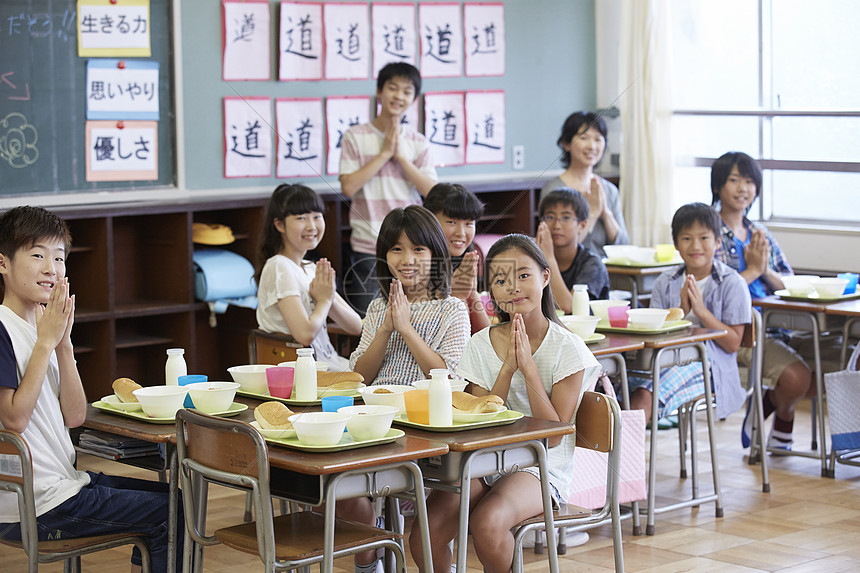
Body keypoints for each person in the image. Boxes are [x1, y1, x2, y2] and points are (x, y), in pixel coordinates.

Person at [0, 206, 182, 573]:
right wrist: (45, 344)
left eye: (59, 257)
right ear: (3, 263)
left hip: (62, 485)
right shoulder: (4, 329)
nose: (51, 268)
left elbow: (75, 415)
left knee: (176, 500)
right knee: (169, 514)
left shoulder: (45, 327)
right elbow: (13, 419)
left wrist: (63, 345)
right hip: (33, 504)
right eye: (37, 255)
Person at [409, 234, 600, 573]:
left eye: (523, 275)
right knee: (427, 531)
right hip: (485, 459)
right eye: (500, 279)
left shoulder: (567, 348)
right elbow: (480, 417)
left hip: (540, 466)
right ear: (490, 292)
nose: (513, 287)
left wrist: (527, 368)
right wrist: (508, 368)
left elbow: (554, 435)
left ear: (545, 277)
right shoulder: (482, 343)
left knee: (488, 523)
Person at [711, 151, 814, 450]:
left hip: (778, 327)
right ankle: (780, 415)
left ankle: (768, 407)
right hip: (743, 334)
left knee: (824, 372)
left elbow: (787, 282)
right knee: (798, 377)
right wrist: (753, 270)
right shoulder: (710, 231)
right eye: (734, 180)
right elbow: (715, 294)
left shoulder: (759, 233)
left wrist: (764, 269)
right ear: (718, 186)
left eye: (749, 181)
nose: (743, 188)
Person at [628, 203, 751, 424]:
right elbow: (650, 333)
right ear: (675, 243)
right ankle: (612, 455)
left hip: (710, 367)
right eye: (686, 239)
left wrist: (702, 312)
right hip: (664, 359)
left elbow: (733, 344)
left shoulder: (733, 283)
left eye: (704, 238)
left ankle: (625, 457)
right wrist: (681, 312)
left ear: (718, 241)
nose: (696, 246)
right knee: (610, 388)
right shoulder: (666, 281)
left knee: (644, 395)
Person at [339, 62, 438, 315]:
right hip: (367, 244)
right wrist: (384, 154)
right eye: (392, 88)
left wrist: (402, 158)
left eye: (407, 91)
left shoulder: (417, 141)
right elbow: (348, 186)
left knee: (415, 317)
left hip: (411, 247)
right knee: (366, 319)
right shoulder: (355, 136)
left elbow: (432, 191)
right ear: (379, 92)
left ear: (414, 98)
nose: (399, 96)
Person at [350, 205, 469, 386]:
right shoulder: (377, 307)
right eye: (396, 249)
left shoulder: (452, 309)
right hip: (378, 404)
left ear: (435, 254)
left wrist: (406, 329)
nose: (407, 260)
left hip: (426, 408)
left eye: (418, 249)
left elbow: (451, 379)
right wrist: (385, 329)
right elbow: (360, 378)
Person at [255, 183, 362, 371]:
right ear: (279, 224)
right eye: (301, 218)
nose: (312, 226)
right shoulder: (279, 266)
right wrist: (323, 301)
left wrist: (328, 298)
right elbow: (304, 335)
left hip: (329, 366)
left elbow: (355, 326)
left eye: (317, 216)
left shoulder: (311, 269)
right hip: (303, 373)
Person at [540, 111, 629, 256]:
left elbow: (623, 245)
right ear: (566, 144)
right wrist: (592, 213)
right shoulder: (554, 189)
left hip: (609, 272)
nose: (592, 146)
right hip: (572, 272)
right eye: (584, 138)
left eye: (598, 139)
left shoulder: (609, 190)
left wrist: (605, 212)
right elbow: (559, 248)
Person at [423, 182, 491, 333]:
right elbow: (429, 332)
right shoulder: (417, 264)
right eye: (451, 222)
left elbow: (484, 335)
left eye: (469, 223)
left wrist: (471, 292)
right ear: (429, 220)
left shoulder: (465, 259)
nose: (461, 233)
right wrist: (456, 295)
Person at [536, 187, 610, 312]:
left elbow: (569, 308)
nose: (556, 225)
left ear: (582, 225)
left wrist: (548, 258)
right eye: (550, 217)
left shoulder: (592, 264)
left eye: (566, 218)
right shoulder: (534, 260)